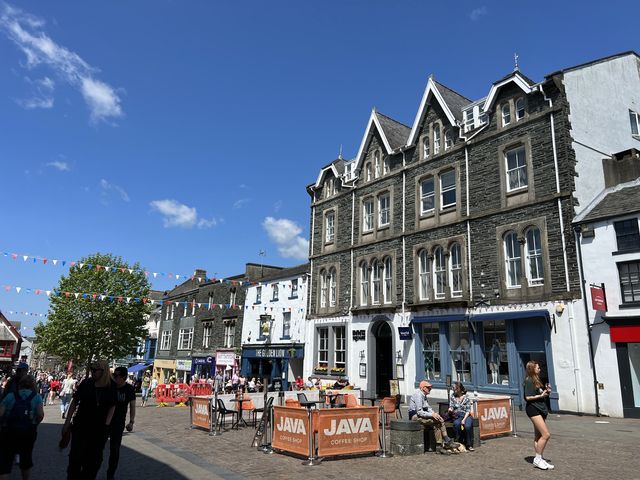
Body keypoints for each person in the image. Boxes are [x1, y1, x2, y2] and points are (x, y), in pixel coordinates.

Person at [62, 360, 116, 480]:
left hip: (98, 430)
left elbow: (112, 406)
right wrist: (67, 422)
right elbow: (74, 401)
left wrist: (106, 425)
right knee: (75, 460)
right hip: (80, 426)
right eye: (91, 369)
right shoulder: (87, 383)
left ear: (103, 371)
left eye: (95, 370)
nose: (92, 372)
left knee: (93, 463)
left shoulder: (111, 386)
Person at [0, 374, 44, 480]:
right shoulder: (36, 397)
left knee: (6, 460)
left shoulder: (11, 396)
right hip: (28, 432)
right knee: (26, 459)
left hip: (9, 431)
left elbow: (0, 413)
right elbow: (40, 415)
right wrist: (35, 423)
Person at [409, 380, 457, 452]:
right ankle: (445, 442)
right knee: (437, 422)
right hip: (415, 416)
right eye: (428, 387)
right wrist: (432, 415)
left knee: (439, 421)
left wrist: (435, 414)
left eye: (430, 387)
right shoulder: (418, 395)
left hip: (422, 415)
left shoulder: (423, 395)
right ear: (423, 388)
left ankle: (441, 445)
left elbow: (428, 408)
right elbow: (419, 412)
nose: (430, 389)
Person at [107, 367, 136, 480]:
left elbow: (132, 406)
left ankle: (110, 473)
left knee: (114, 449)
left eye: (116, 375)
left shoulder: (129, 389)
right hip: (105, 421)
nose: (114, 377)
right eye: (113, 375)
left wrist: (131, 422)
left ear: (123, 377)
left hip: (118, 423)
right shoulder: (110, 386)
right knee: (98, 446)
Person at [524, 361, 554, 470]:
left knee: (538, 436)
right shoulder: (529, 381)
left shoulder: (537, 380)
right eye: (538, 368)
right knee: (546, 434)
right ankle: (537, 459)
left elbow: (539, 393)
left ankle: (540, 458)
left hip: (540, 409)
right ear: (532, 369)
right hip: (533, 409)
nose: (540, 369)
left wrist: (547, 392)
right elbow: (528, 397)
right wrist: (540, 395)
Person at [448, 381, 474, 451]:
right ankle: (458, 442)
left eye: (454, 389)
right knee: (456, 424)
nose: (453, 390)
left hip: (466, 415)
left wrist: (464, 419)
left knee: (467, 426)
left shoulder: (466, 397)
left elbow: (468, 410)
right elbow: (451, 406)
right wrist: (450, 409)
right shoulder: (452, 396)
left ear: (459, 389)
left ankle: (469, 444)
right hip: (457, 415)